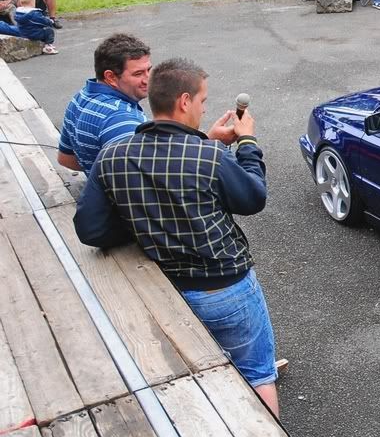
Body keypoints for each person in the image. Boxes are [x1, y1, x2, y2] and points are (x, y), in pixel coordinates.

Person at [74, 58, 280, 417]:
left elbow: (90, 230)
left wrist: (142, 215)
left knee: (191, 377)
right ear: (184, 101)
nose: (202, 109)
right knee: (258, 374)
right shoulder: (210, 155)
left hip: (164, 291)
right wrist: (247, 142)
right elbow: (252, 198)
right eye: (202, 101)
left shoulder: (114, 155)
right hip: (226, 290)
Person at [58, 34, 151, 173]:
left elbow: (65, 158)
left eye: (148, 70)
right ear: (111, 77)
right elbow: (136, 182)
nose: (148, 79)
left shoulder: (80, 98)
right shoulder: (121, 119)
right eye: (138, 74)